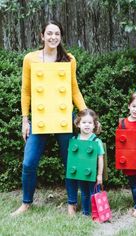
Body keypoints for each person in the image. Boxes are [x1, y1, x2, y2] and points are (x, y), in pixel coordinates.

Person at [11, 20, 87, 216]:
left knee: (69, 161)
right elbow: (26, 91)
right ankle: (26, 203)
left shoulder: (69, 59)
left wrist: (85, 112)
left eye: (57, 34)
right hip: (40, 118)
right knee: (29, 162)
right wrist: (25, 120)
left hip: (63, 116)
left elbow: (74, 89)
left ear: (61, 37)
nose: (53, 37)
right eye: (49, 33)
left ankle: (72, 203)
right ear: (42, 36)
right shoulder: (30, 59)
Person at [68, 108, 104, 216]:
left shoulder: (96, 141)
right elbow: (73, 157)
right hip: (81, 174)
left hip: (93, 174)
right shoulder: (75, 140)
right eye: (84, 122)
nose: (87, 125)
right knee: (84, 193)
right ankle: (85, 212)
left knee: (94, 193)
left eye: (90, 122)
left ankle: (97, 213)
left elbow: (100, 158)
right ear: (78, 124)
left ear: (94, 125)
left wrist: (99, 175)